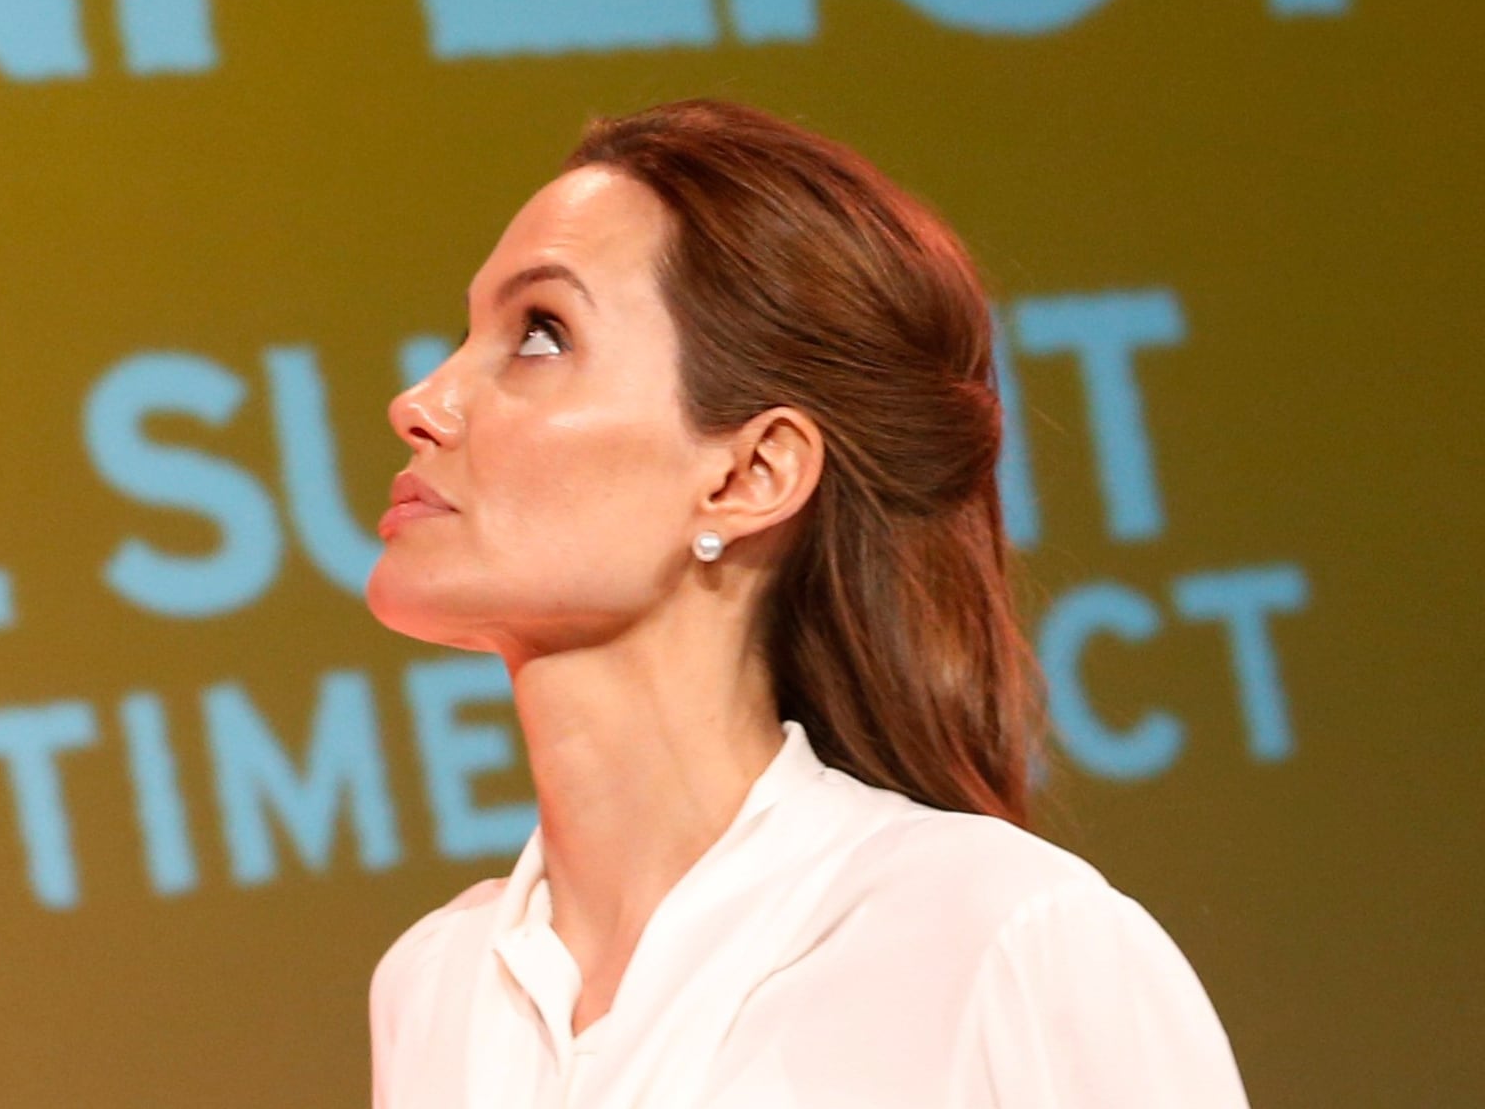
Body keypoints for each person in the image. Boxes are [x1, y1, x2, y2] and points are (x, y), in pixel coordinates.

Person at [365, 99, 1247, 1107]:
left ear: (750, 472)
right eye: (469, 332)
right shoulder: (432, 984)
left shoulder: (1000, 937)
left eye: (539, 334)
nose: (421, 400)